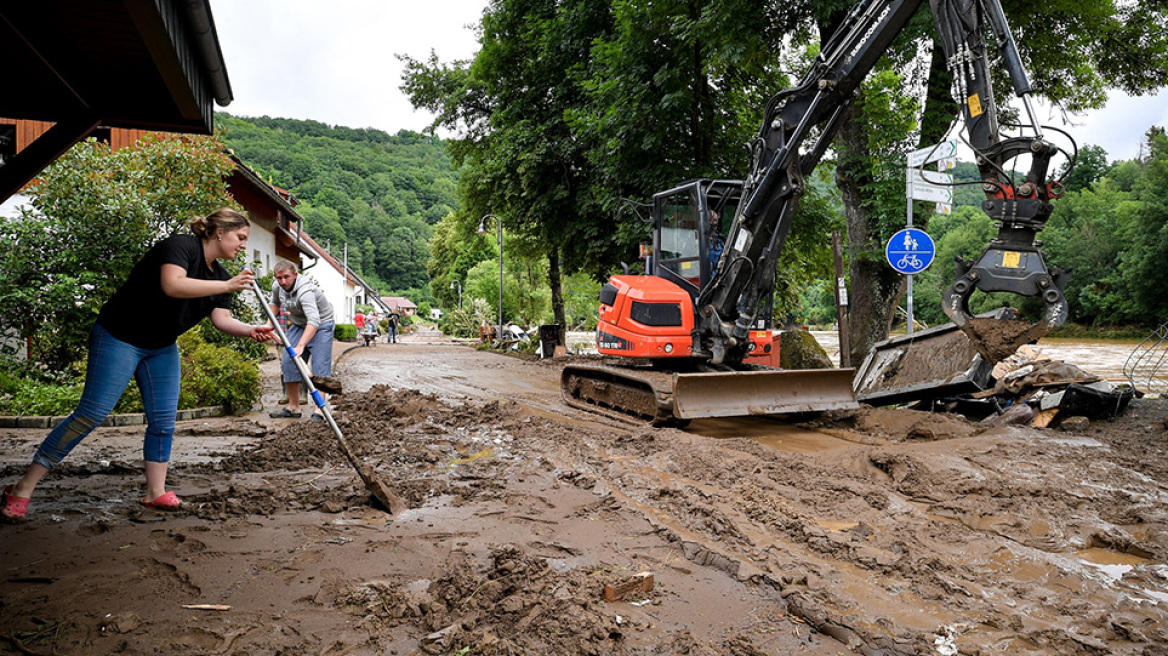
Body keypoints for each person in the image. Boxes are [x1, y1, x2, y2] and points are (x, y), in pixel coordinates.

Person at [1, 208, 274, 521]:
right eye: (240, 237)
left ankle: (155, 492)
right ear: (219, 232)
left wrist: (251, 329)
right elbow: (173, 283)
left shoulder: (221, 278)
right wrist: (226, 287)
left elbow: (221, 319)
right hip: (119, 336)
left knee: (163, 421)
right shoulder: (181, 246)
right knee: (91, 413)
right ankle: (21, 488)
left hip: (161, 346)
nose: (242, 245)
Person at [267, 261, 335, 422]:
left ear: (295, 275)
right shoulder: (278, 287)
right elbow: (274, 303)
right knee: (288, 363)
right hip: (299, 325)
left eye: (286, 277)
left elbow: (314, 320)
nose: (283, 281)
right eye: (279, 278)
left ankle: (319, 409)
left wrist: (301, 346)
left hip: (321, 325)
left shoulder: (306, 291)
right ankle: (293, 407)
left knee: (320, 367)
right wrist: (268, 325)